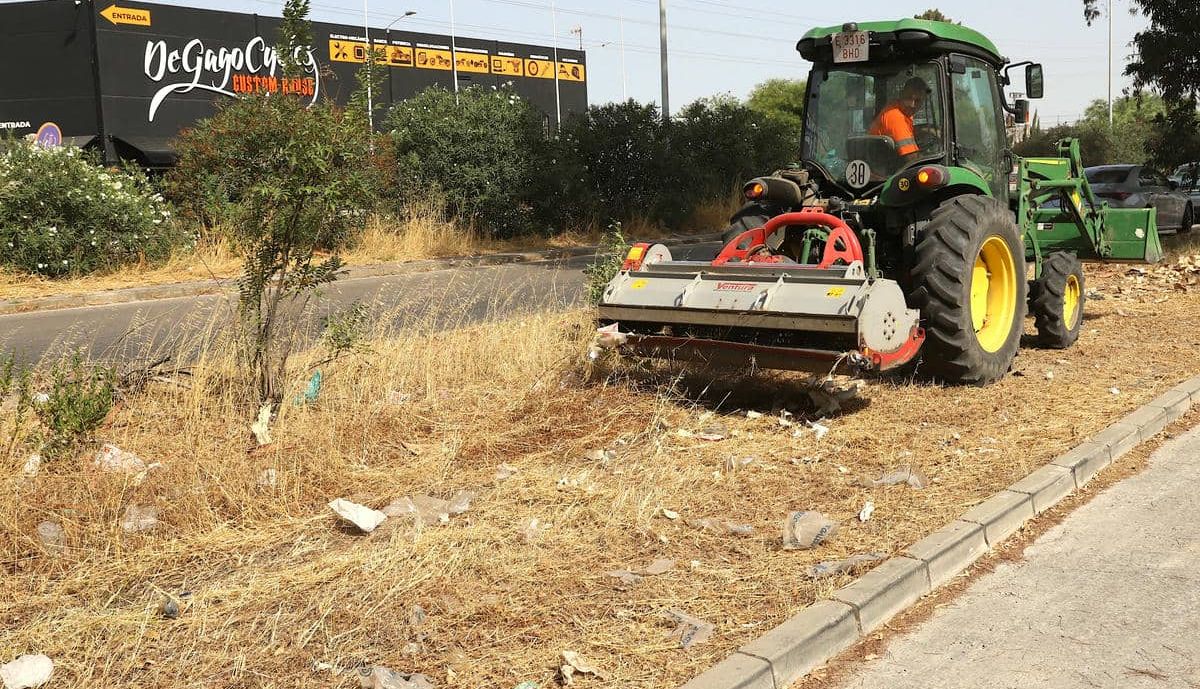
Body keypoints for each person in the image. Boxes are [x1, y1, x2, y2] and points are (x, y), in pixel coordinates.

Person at [869, 76, 929, 160]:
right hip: (887, 170)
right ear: (901, 94)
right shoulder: (895, 116)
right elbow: (912, 159)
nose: (912, 105)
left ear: (923, 101)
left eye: (917, 100)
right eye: (908, 98)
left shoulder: (903, 112)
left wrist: (924, 130)